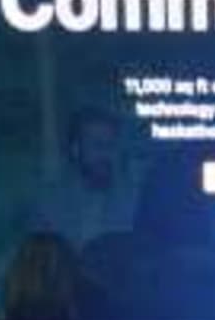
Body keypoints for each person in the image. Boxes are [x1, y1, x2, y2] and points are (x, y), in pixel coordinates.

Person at [29, 104, 145, 249]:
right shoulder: (50, 204)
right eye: (97, 144)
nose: (106, 154)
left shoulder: (135, 200)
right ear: (76, 150)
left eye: (110, 145)